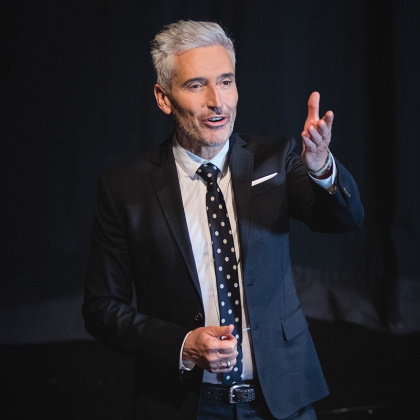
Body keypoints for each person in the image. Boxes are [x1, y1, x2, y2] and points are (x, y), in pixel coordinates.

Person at [82, 19, 364, 420]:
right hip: (185, 405)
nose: (218, 101)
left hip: (282, 401)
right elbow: (101, 308)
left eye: (226, 81)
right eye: (196, 85)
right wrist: (182, 345)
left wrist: (321, 169)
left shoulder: (276, 158)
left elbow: (344, 219)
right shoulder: (125, 188)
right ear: (164, 98)